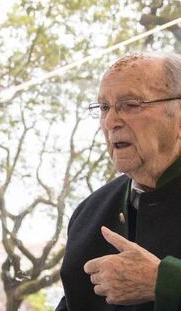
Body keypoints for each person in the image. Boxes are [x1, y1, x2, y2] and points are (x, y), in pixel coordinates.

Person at [56, 52, 181, 311]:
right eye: (104, 108)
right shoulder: (89, 213)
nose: (111, 122)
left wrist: (164, 281)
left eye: (131, 104)